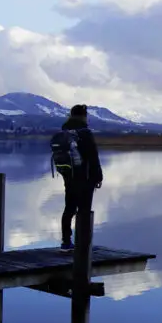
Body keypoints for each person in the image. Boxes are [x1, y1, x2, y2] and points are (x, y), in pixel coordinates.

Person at [54, 104, 103, 250]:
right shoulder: (85, 133)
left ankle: (66, 242)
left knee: (69, 208)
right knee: (84, 211)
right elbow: (93, 157)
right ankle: (83, 244)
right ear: (83, 116)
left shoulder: (65, 130)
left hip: (68, 176)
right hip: (85, 178)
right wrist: (98, 177)